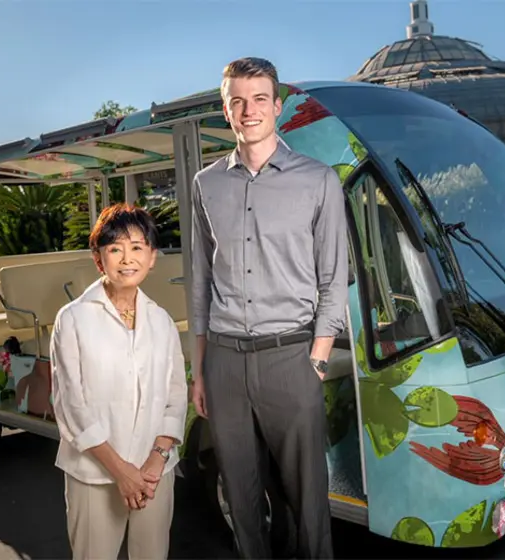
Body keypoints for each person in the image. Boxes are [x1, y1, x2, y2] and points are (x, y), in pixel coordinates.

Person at [190, 57, 348, 559]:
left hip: (292, 357)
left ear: (278, 107)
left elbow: (333, 280)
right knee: (240, 494)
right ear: (225, 110)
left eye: (259, 98)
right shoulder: (205, 185)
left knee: (306, 501)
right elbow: (201, 282)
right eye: (237, 100)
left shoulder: (318, 180)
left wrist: (317, 360)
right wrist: (200, 370)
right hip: (224, 360)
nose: (248, 109)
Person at [50, 203, 188, 560]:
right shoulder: (74, 319)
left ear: (153, 257)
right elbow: (70, 405)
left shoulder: (162, 322)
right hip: (94, 475)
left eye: (138, 247)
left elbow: (176, 397)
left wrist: (156, 460)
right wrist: (121, 471)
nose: (127, 259)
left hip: (155, 474)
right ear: (99, 259)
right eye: (115, 249)